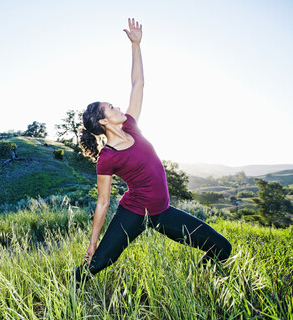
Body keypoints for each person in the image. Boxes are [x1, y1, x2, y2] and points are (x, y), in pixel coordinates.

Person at [74, 18, 232, 284]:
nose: (118, 108)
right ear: (103, 121)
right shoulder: (108, 157)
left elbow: (138, 84)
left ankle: (202, 282)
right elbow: (103, 203)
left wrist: (136, 45)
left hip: (163, 213)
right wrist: (92, 243)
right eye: (111, 107)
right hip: (133, 213)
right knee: (99, 263)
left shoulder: (132, 126)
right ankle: (71, 289)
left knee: (222, 247)